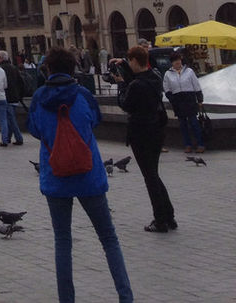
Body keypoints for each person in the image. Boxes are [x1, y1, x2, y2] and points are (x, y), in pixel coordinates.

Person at [28, 46, 133, 303]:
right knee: (108, 238)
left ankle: (67, 299)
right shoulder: (83, 94)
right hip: (89, 176)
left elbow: (35, 130)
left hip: (56, 176)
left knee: (63, 240)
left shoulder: (39, 97)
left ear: (48, 69)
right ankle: (125, 297)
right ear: (73, 69)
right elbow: (95, 120)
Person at [115, 45, 176, 232]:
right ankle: (169, 216)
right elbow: (139, 77)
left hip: (141, 134)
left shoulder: (136, 85)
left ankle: (160, 220)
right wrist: (124, 65)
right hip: (157, 131)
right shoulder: (155, 77)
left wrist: (121, 84)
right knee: (153, 174)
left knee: (150, 177)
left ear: (134, 60)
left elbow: (125, 103)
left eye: (129, 60)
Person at [163, 51, 205, 153]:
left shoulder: (189, 71)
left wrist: (199, 99)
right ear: (171, 62)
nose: (177, 62)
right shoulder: (168, 74)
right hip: (178, 101)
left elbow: (196, 85)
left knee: (194, 122)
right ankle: (187, 145)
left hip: (189, 99)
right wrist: (172, 99)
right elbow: (167, 88)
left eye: (178, 60)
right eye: (175, 61)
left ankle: (200, 144)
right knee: (182, 124)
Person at [0, 50, 25, 145]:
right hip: (15, 97)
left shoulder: (0, 69)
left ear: (1, 58)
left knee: (11, 119)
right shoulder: (14, 68)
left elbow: (1, 84)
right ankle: (8, 137)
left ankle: (19, 138)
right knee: (10, 118)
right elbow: (21, 82)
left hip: (6, 97)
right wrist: (19, 95)